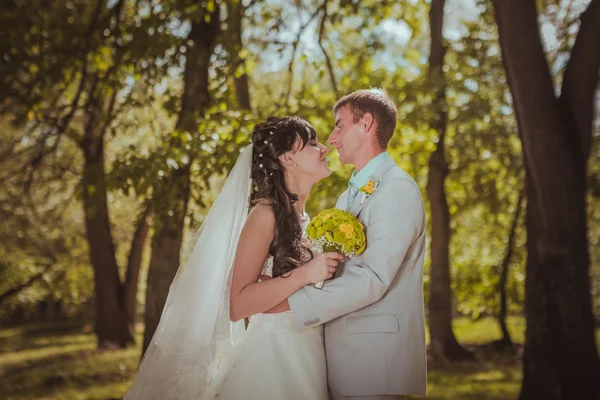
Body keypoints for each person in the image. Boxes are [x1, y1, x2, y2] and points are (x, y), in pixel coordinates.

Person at [123, 116, 343, 400]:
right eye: (312, 143)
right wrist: (305, 274)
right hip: (273, 363)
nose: (324, 148)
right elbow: (237, 305)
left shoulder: (305, 219)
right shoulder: (265, 216)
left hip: (309, 355)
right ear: (287, 158)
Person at [268, 89, 428, 399]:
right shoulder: (348, 195)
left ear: (366, 124)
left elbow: (374, 278)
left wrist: (286, 301)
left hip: (375, 363)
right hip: (343, 358)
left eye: (340, 125)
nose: (332, 138)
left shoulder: (397, 189)